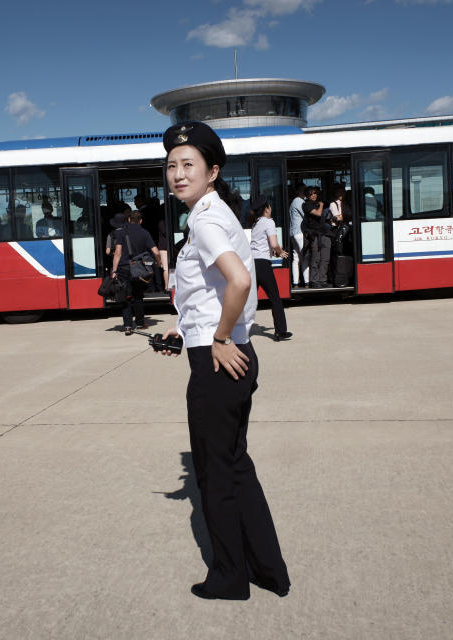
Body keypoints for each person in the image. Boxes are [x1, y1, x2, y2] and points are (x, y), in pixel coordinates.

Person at [158, 121, 290, 601]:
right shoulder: (219, 213)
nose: (177, 173)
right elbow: (211, 292)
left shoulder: (204, 218)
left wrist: (214, 338)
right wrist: (187, 325)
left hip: (218, 362)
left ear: (212, 171)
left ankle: (230, 577)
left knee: (215, 475)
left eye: (188, 165)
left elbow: (237, 283)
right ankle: (268, 570)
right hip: (235, 354)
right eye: (171, 165)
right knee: (236, 466)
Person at [248, 195, 291, 341]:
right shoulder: (268, 222)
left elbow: (261, 244)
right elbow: (274, 244)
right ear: (266, 209)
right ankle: (280, 332)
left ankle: (235, 330)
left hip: (252, 263)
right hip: (263, 265)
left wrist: (272, 250)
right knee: (275, 298)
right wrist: (280, 252)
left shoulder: (256, 223)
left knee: (249, 300)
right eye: (270, 206)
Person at [111, 210, 160, 333]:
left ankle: (127, 326)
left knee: (125, 296)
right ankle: (140, 323)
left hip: (123, 268)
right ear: (141, 221)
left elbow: (117, 253)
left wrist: (114, 270)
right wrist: (158, 263)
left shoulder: (121, 233)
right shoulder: (145, 233)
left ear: (128, 219)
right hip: (138, 269)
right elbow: (156, 252)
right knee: (138, 296)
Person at [303, 186, 332, 288]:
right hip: (315, 236)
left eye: (315, 193)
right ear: (307, 195)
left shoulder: (320, 203)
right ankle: (314, 281)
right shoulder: (306, 205)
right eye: (311, 194)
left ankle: (323, 280)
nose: (314, 195)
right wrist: (321, 205)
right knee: (316, 259)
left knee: (325, 259)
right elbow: (318, 214)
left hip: (325, 234)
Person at [288, 182, 308, 287]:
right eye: (303, 190)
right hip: (299, 232)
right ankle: (307, 282)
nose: (304, 192)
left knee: (296, 258)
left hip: (293, 233)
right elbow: (306, 215)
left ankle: (296, 282)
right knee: (305, 257)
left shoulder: (293, 202)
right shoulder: (299, 201)